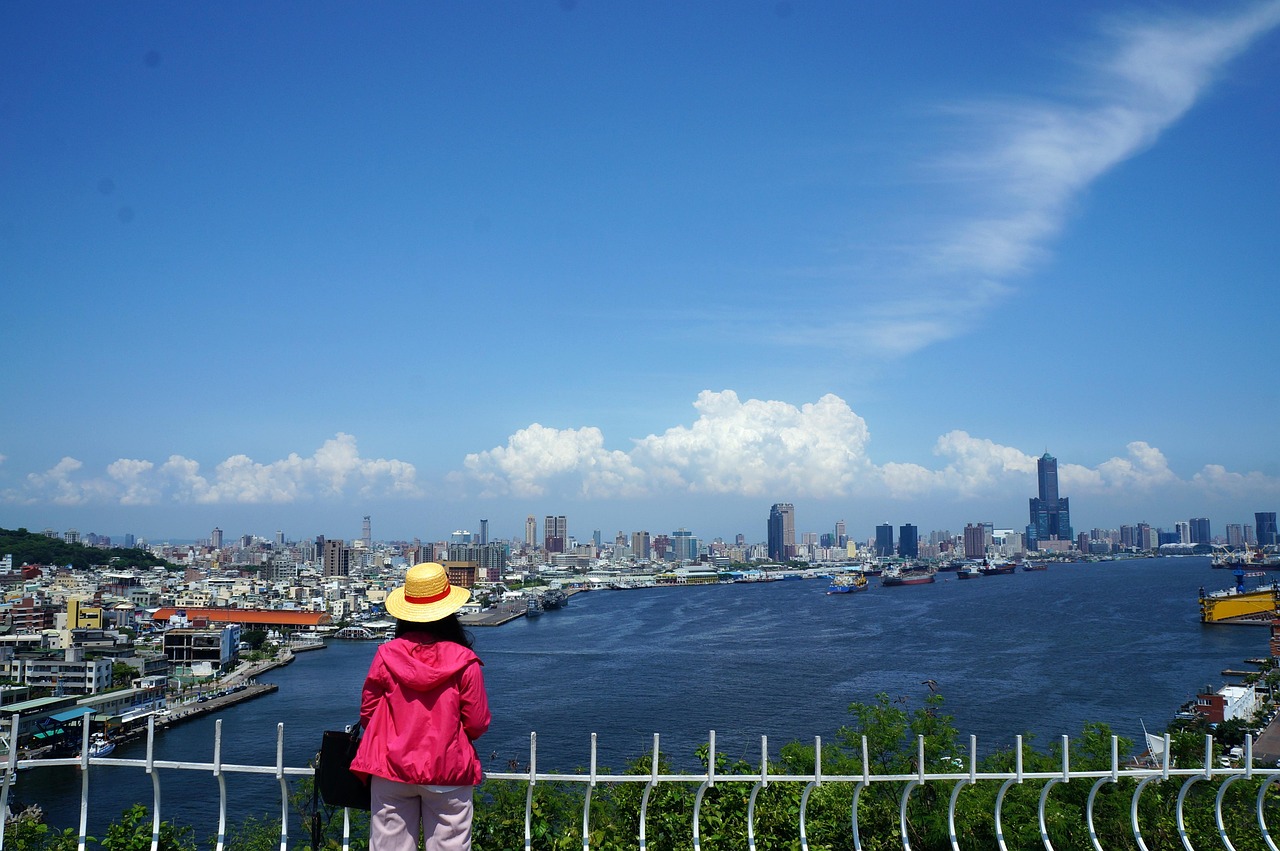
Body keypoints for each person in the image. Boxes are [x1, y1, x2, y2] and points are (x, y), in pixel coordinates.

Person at [350, 562, 491, 851]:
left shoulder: (386, 655)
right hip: (448, 771)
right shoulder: (464, 661)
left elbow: (368, 714)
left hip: (391, 767)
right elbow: (476, 723)